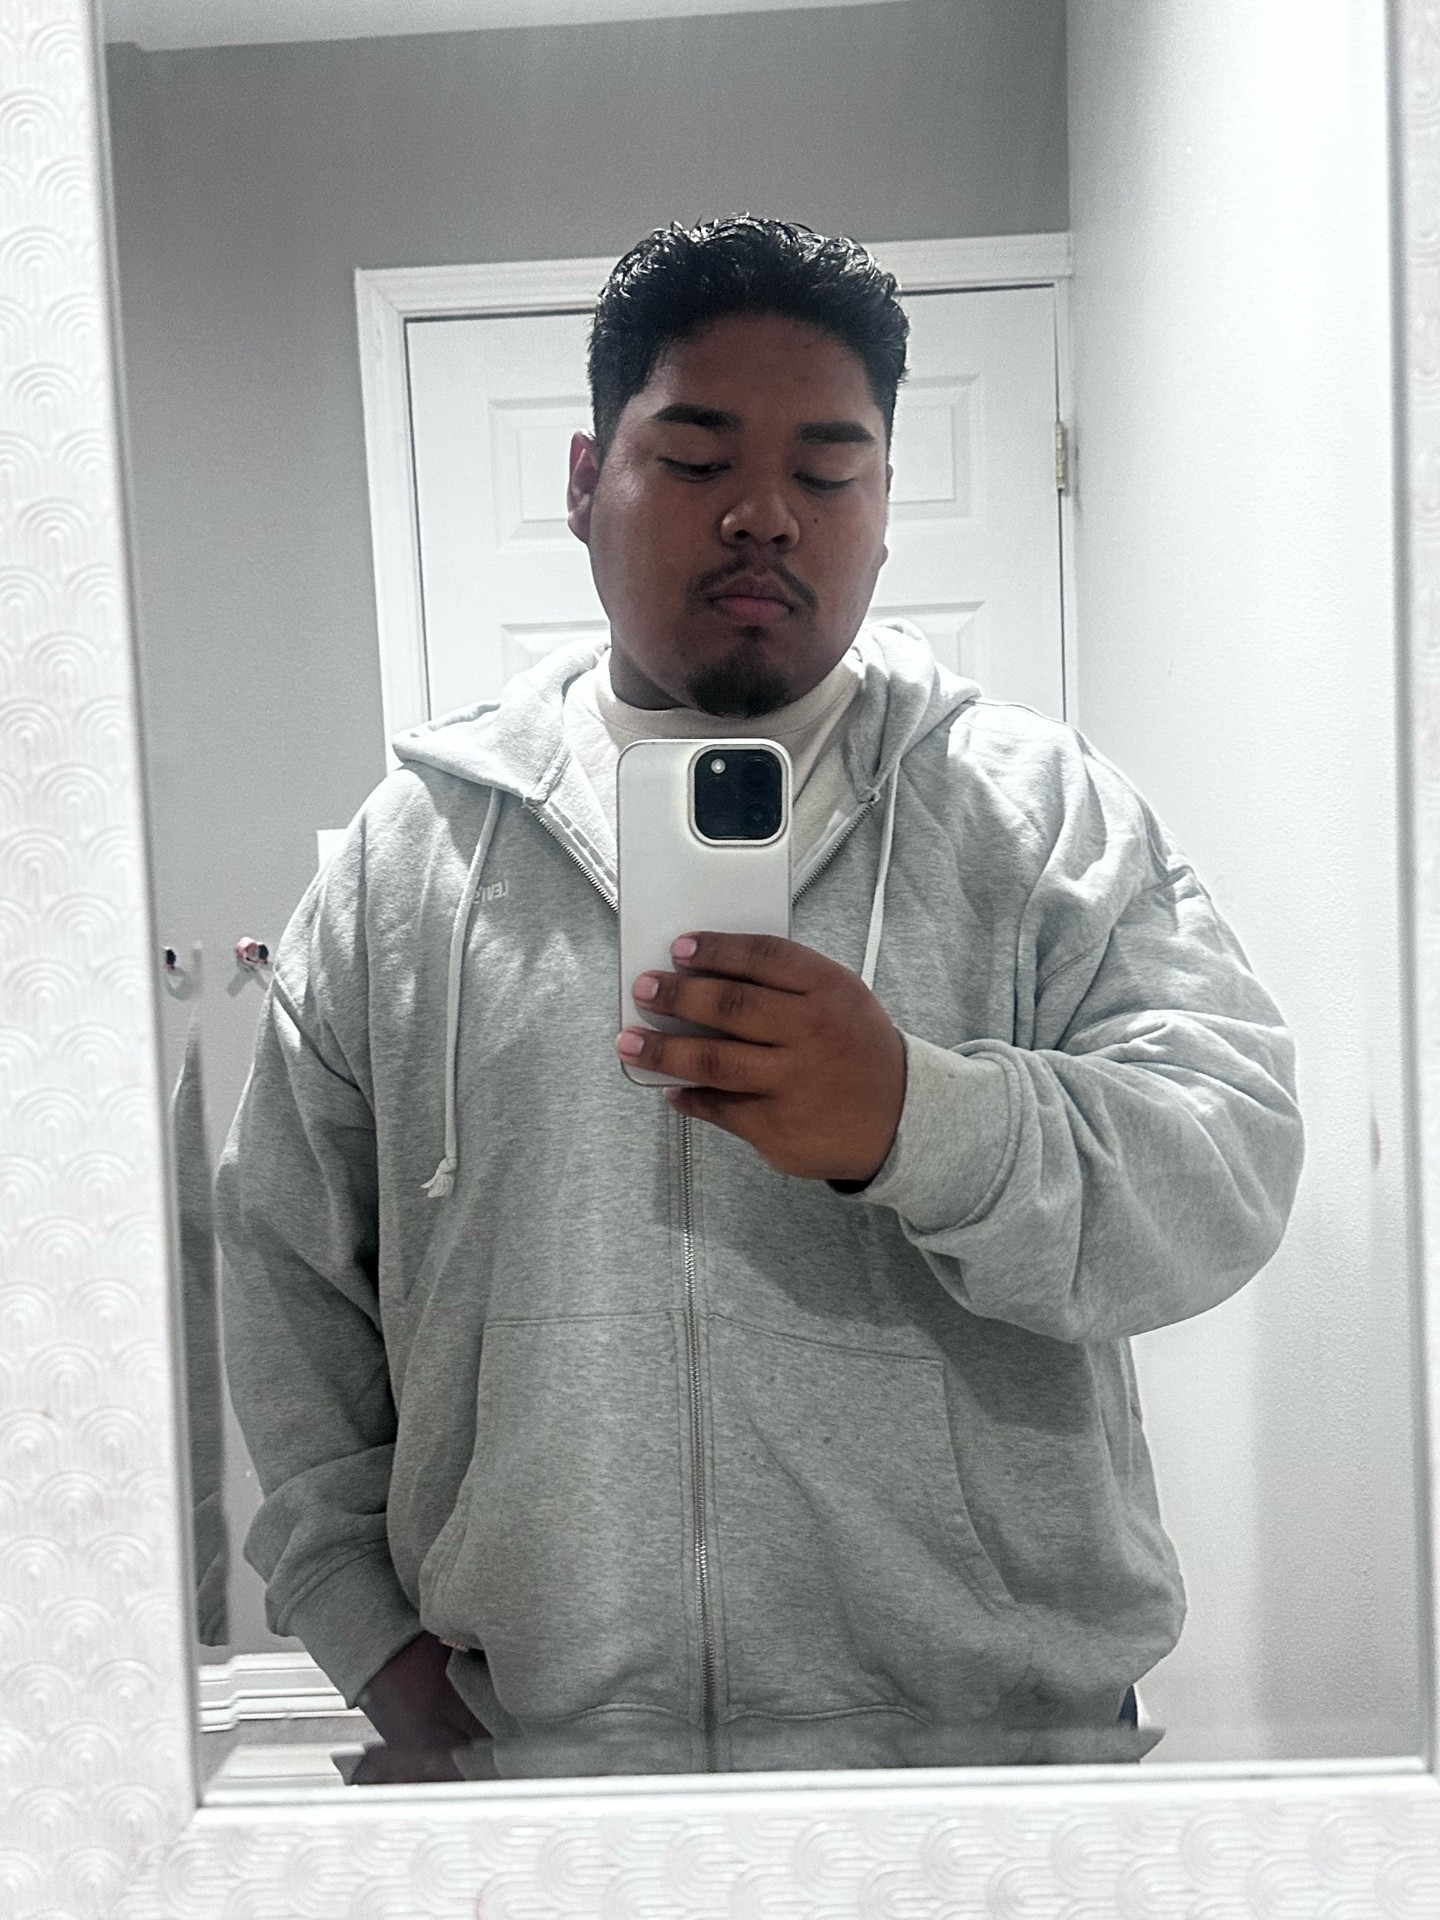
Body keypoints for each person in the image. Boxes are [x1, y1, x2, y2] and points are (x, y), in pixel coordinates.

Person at [215, 216, 1304, 1781]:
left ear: (884, 506)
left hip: (998, 1770)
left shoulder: (1040, 817)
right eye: (696, 457)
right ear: (585, 481)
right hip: (544, 1767)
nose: (764, 515)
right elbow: (285, 1264)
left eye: (829, 469)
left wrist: (920, 1119)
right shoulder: (411, 860)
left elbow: (1228, 1169)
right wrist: (362, 1632)